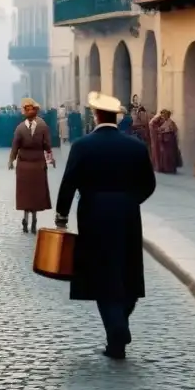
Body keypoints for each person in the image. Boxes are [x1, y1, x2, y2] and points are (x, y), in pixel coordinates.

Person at [55, 91, 156, 361]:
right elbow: (149, 184)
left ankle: (117, 329)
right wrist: (131, 200)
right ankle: (119, 328)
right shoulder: (136, 146)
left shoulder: (83, 145)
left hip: (93, 213)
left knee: (101, 273)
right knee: (127, 268)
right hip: (127, 214)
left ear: (96, 115)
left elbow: (69, 183)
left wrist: (61, 216)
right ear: (117, 116)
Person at [8, 98, 53, 234]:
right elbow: (47, 145)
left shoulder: (21, 128)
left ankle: (28, 218)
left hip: (28, 164)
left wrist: (11, 160)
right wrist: (50, 158)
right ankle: (31, 218)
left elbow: (15, 146)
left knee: (28, 193)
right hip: (34, 163)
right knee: (32, 194)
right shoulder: (41, 126)